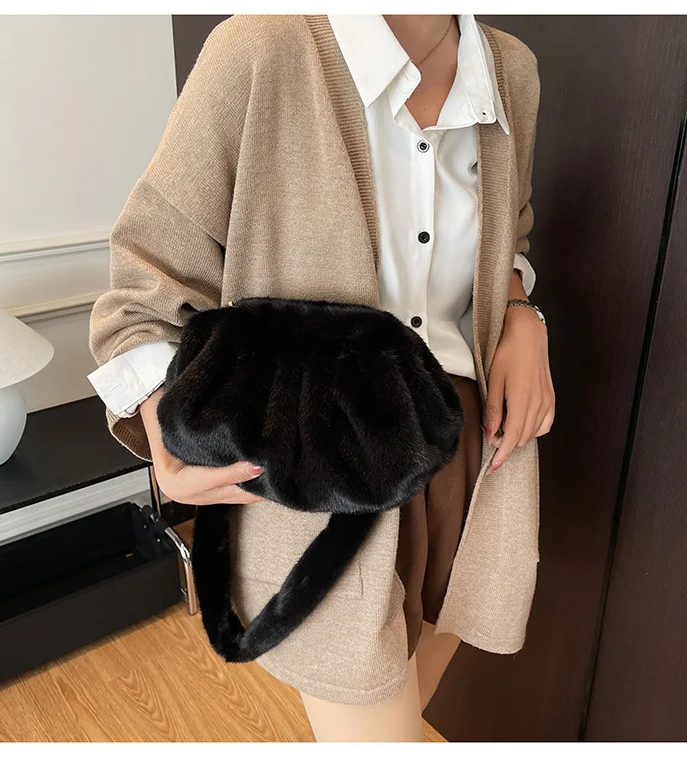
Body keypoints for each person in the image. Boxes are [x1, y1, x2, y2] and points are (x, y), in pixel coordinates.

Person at [88, 14, 555, 742]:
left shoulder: (510, 70)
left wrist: (523, 313)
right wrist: (164, 435)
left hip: (474, 460)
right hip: (323, 477)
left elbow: (508, 234)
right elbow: (144, 281)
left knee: (406, 706)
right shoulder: (261, 51)